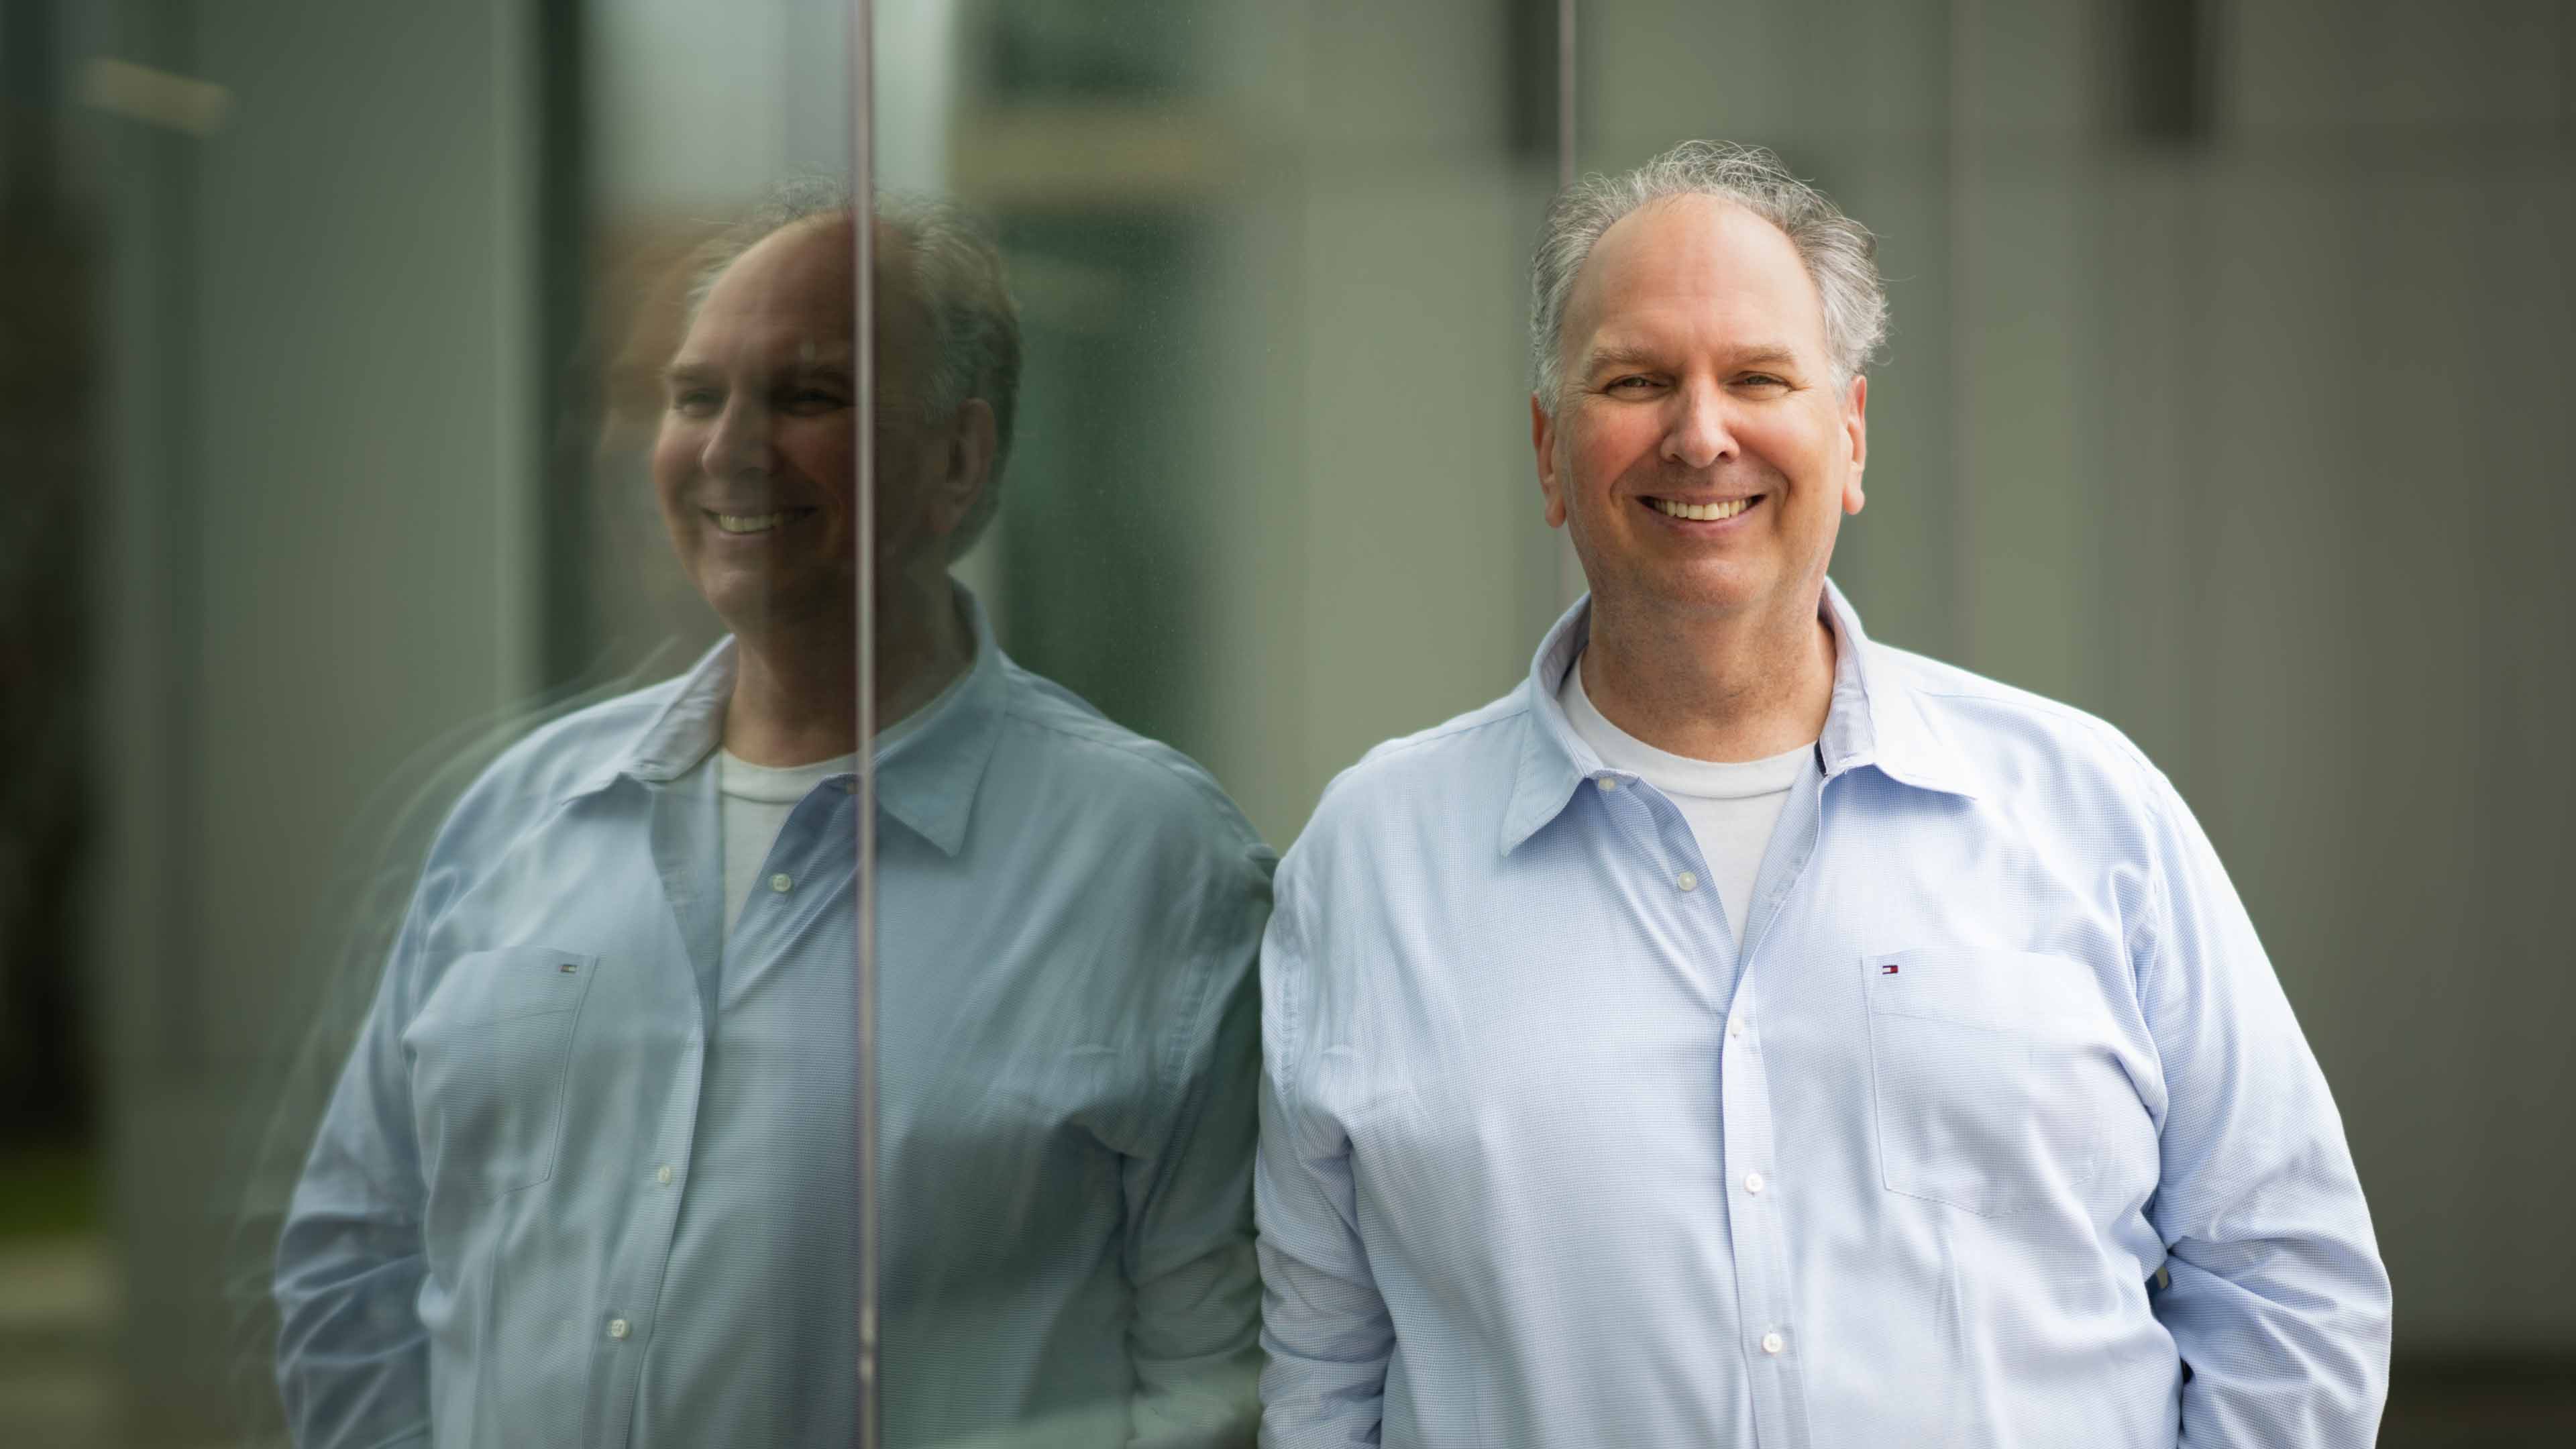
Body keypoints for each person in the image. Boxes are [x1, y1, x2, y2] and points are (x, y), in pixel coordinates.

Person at [1254, 140, 2390, 1446]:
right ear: (1548, 450)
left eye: (1758, 377)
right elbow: (1323, 1360)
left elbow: (2288, 1287)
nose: (1700, 432)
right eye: (1635, 380)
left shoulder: (2090, 813)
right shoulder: (1372, 862)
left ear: (1847, 436)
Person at [274, 187, 1269, 1448]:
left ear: (959, 459)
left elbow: (1214, 1379)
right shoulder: (518, 817)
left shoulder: (1158, 866)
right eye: (695, 397)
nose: (730, 448)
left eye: (806, 397)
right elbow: (356, 1263)